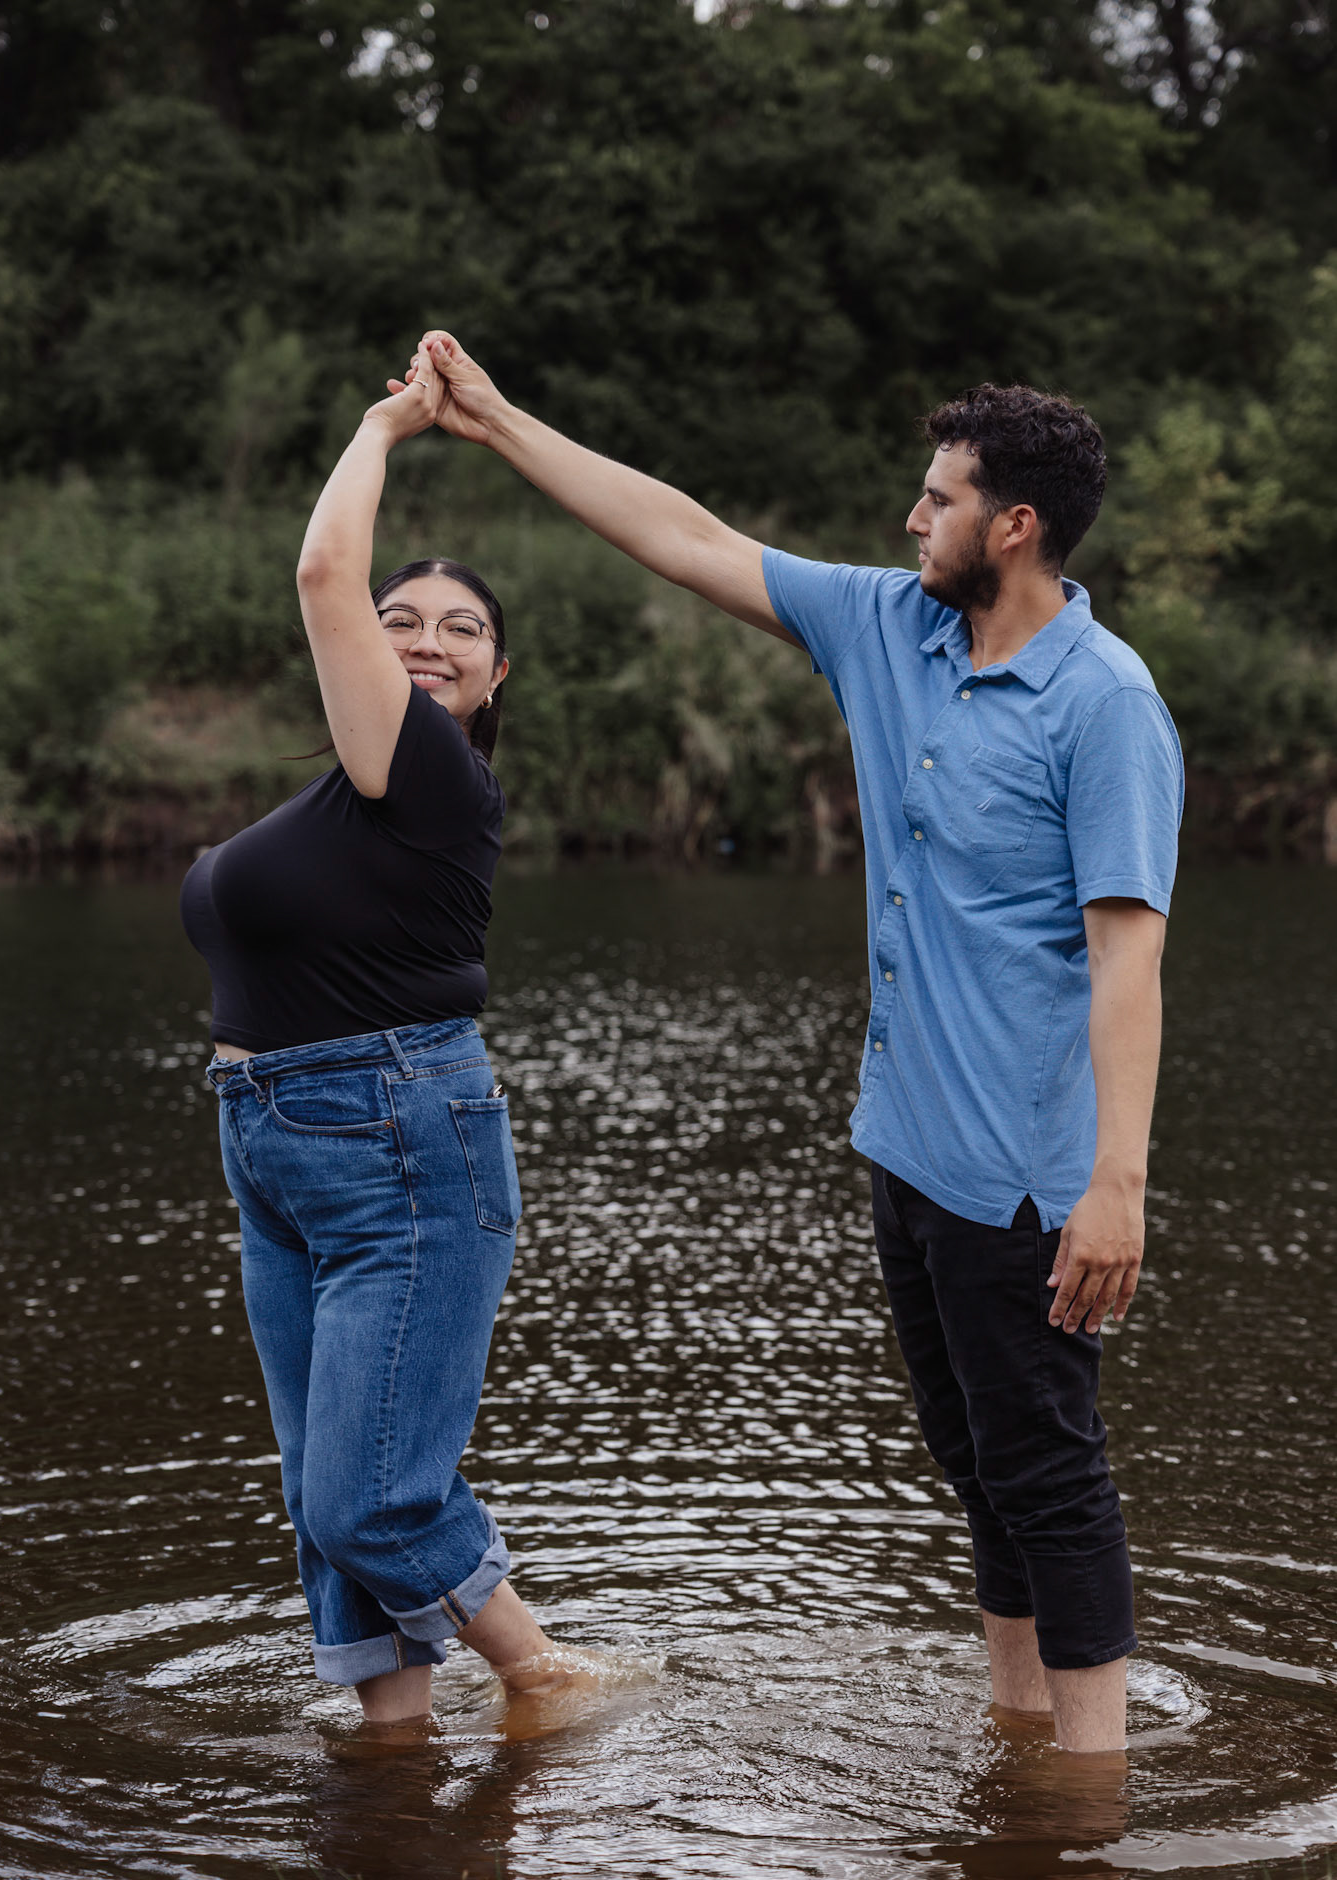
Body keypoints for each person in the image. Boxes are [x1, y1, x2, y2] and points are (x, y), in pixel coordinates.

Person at [405, 327, 1183, 1755]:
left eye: (938, 497)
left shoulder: (1106, 704)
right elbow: (688, 537)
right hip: (907, 1143)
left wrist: (1116, 1186)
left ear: (1013, 526)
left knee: (1050, 1477)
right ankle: (1019, 1735)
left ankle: (1088, 1792)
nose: (911, 517)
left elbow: (1129, 956)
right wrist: (500, 422)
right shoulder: (893, 628)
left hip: (1027, 1172)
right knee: (978, 1466)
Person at [180, 365, 597, 1730]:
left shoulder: (431, 776)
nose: (426, 639)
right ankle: (390, 1748)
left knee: (369, 1493)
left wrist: (380, 427)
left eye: (461, 628)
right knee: (320, 1492)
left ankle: (548, 1678)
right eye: (400, 618)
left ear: (495, 675)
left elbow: (322, 573)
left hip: (395, 1141)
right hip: (279, 1144)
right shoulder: (349, 791)